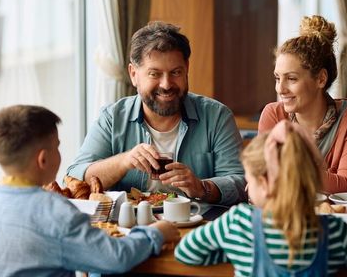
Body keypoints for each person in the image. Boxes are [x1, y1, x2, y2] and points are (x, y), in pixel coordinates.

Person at [0, 105, 180, 276]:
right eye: (57, 146)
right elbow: (116, 258)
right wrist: (156, 233)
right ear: (43, 159)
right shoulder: (55, 212)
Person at [175, 120, 347, 276]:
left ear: (264, 183)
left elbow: (185, 252)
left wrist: (233, 252)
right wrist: (345, 257)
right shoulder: (333, 231)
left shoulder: (237, 223)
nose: (246, 189)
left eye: (249, 181)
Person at [67, 21, 246, 205]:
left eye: (176, 72)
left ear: (187, 70)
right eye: (154, 74)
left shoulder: (216, 116)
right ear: (133, 74)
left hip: (201, 228)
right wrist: (124, 161)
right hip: (130, 228)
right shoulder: (113, 118)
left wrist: (202, 187)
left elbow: (241, 184)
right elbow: (75, 179)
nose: (166, 84)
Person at [258, 15, 347, 193]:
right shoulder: (273, 115)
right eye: (277, 78)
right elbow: (264, 180)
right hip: (291, 218)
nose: (280, 89)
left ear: (321, 79)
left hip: (346, 218)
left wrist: (283, 169)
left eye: (291, 78)